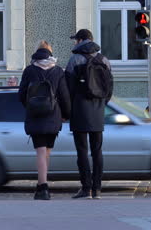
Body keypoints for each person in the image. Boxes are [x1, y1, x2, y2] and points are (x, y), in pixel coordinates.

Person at [18, 40, 71, 200]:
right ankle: (43, 184)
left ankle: (43, 187)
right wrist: (66, 115)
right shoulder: (57, 71)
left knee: (40, 151)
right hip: (53, 116)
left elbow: (21, 94)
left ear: (36, 52)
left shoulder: (29, 70)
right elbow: (64, 96)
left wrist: (30, 106)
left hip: (35, 115)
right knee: (46, 151)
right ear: (50, 53)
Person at [65, 29, 113, 199]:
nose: (74, 43)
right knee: (97, 151)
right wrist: (101, 103)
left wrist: (70, 109)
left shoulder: (74, 60)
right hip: (98, 110)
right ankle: (97, 189)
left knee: (82, 151)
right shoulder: (104, 60)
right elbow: (109, 88)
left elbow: (67, 89)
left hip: (79, 110)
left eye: (75, 40)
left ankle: (86, 189)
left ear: (81, 40)